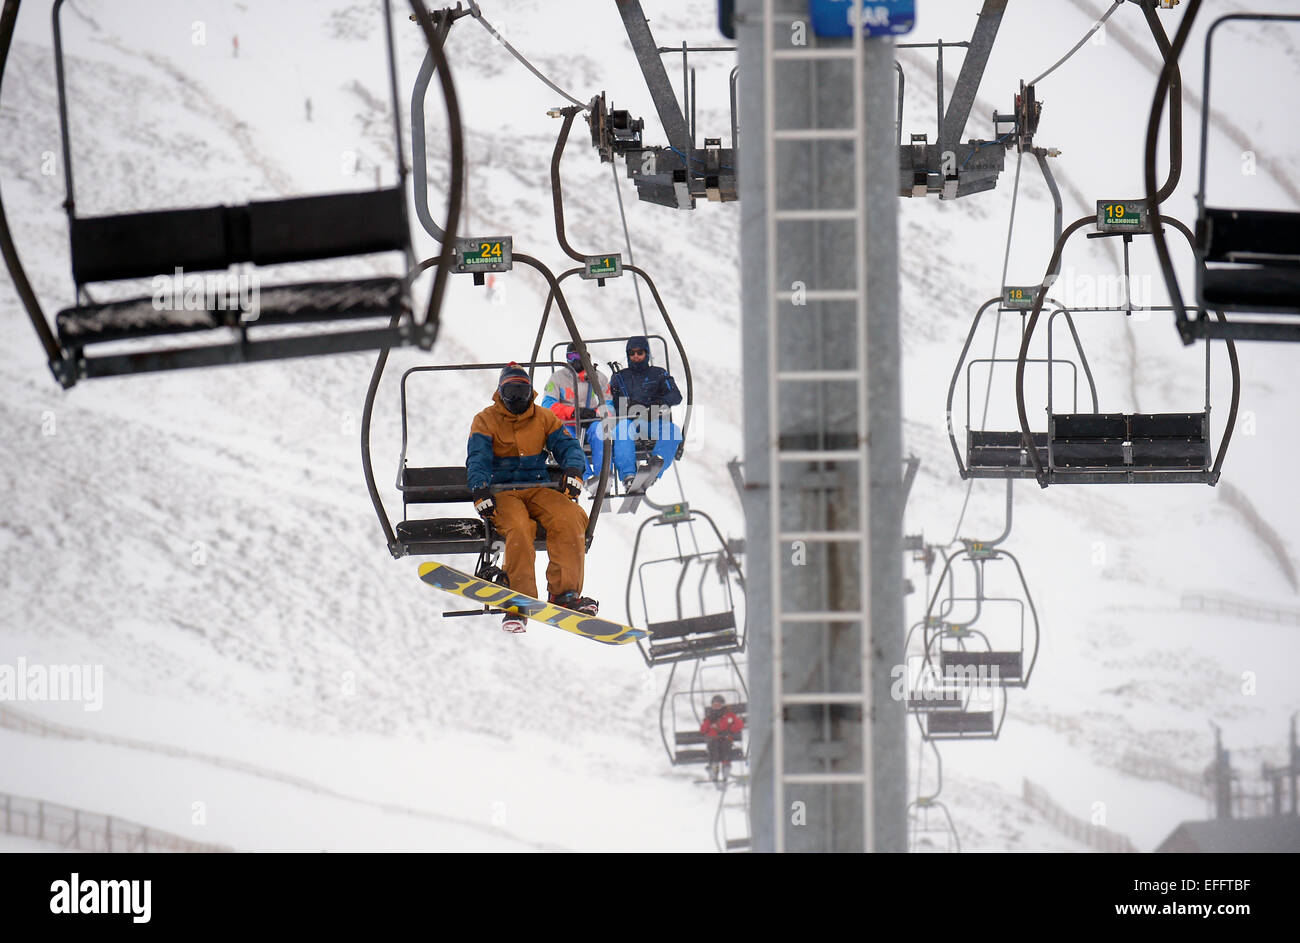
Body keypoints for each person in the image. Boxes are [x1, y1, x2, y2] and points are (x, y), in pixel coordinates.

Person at [467, 364, 597, 633]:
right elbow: (477, 457)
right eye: (511, 393)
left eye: (522, 392)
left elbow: (568, 446)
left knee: (569, 517)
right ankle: (519, 599)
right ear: (500, 393)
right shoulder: (486, 420)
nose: (517, 399)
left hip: (538, 488)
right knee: (518, 527)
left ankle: (565, 594)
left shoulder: (543, 417)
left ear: (530, 393)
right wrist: (480, 489)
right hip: (504, 491)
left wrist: (573, 470)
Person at [592, 335, 683, 490]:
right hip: (630, 421)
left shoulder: (659, 374)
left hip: (653, 420)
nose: (636, 356)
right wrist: (626, 409)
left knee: (672, 431)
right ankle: (628, 475)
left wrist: (657, 405)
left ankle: (656, 466)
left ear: (646, 353)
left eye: (639, 352)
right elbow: (611, 402)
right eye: (632, 353)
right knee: (622, 430)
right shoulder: (620, 377)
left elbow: (675, 396)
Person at [539, 343, 612, 481]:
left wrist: (596, 414)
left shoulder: (598, 378)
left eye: (579, 355)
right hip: (567, 423)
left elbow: (609, 403)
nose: (576, 359)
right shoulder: (558, 378)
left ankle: (604, 476)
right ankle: (587, 477)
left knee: (601, 431)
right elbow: (548, 405)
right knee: (569, 441)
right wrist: (573, 412)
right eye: (571, 356)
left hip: (592, 422)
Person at [700, 695, 744, 782]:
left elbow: (739, 724)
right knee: (713, 748)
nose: (716, 707)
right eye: (714, 705)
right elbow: (703, 730)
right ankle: (714, 771)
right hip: (713, 740)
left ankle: (725, 770)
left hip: (725, 739)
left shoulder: (728, 716)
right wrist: (708, 721)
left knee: (725, 746)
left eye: (718, 705)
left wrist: (730, 730)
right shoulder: (710, 717)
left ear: (722, 705)